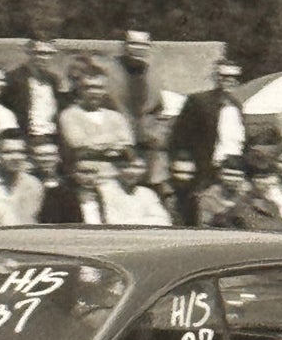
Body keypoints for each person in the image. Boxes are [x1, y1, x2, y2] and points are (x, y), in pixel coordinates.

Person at [168, 59, 245, 187]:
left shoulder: (237, 105)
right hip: (204, 168)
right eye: (225, 76)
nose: (230, 80)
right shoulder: (199, 102)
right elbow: (180, 136)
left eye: (234, 77)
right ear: (216, 77)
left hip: (230, 168)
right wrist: (184, 162)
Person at [57, 69, 136, 154]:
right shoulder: (69, 115)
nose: (94, 92)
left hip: (118, 161)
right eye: (89, 87)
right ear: (79, 90)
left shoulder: (116, 116)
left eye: (99, 88)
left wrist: (95, 142)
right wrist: (113, 140)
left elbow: (128, 141)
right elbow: (78, 143)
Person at [2, 39, 65, 141]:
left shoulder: (53, 80)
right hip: (26, 136)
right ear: (29, 53)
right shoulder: (14, 78)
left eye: (49, 54)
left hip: (51, 136)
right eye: (40, 53)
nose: (45, 58)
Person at [101, 150, 172, 225]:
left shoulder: (147, 193)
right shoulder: (105, 191)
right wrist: (147, 221)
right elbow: (112, 223)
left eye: (138, 167)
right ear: (116, 168)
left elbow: (164, 221)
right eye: (126, 167)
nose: (133, 172)